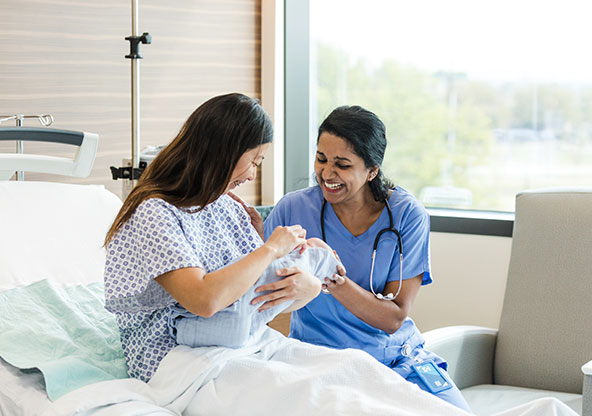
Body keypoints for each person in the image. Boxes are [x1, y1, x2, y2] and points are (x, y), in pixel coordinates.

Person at [263, 105, 472, 412]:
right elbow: (260, 284)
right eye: (321, 159)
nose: (326, 173)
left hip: (397, 358)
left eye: (342, 165)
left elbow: (393, 318)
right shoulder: (293, 209)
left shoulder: (406, 215)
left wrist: (331, 276)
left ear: (372, 170)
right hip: (320, 361)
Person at [103, 93, 321, 382]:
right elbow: (204, 300)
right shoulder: (154, 212)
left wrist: (308, 289)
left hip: (241, 345)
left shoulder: (229, 208)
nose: (253, 176)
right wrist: (269, 249)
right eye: (254, 161)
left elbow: (257, 299)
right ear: (223, 152)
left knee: (346, 374)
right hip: (176, 357)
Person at [168, 237, 342, 349]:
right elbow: (206, 301)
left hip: (250, 332)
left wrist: (312, 288)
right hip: (180, 342)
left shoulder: (236, 210)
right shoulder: (157, 215)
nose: (252, 176)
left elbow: (271, 305)